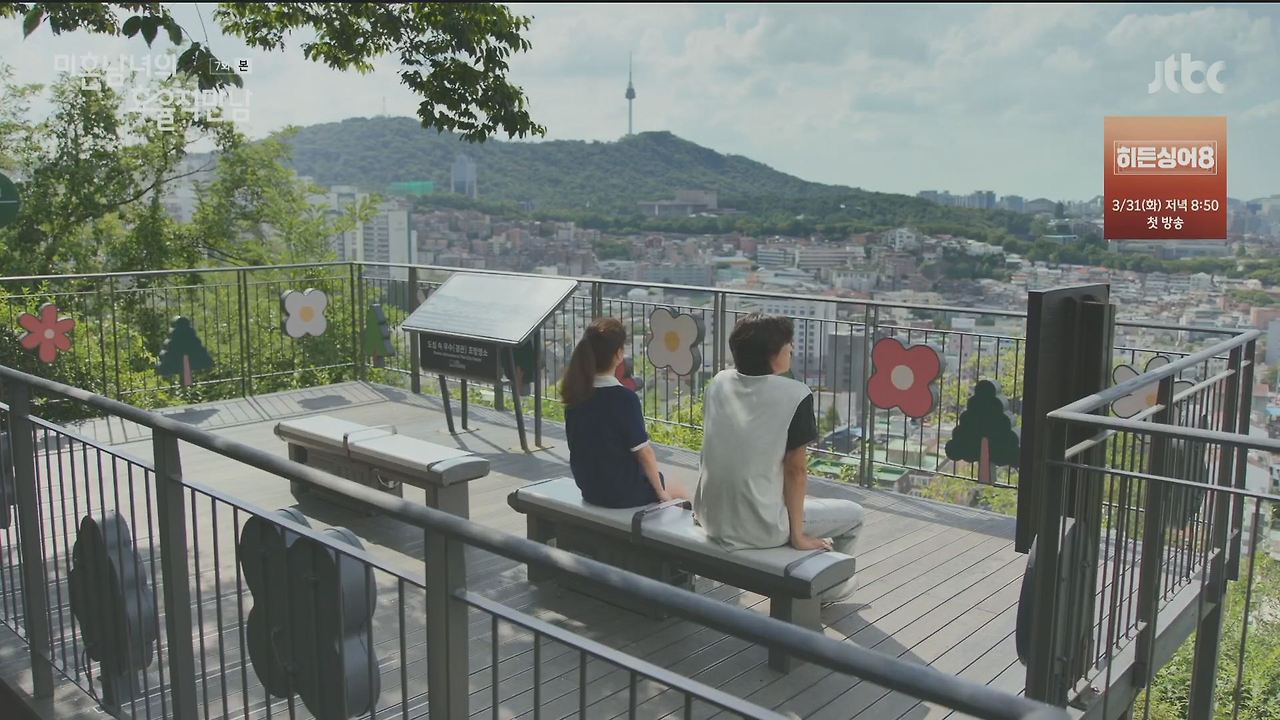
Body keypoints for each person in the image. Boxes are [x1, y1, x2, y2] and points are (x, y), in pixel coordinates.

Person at [693, 312, 863, 604]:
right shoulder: (795, 394)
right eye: (788, 345)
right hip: (760, 527)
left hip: (709, 517)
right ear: (771, 354)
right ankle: (829, 588)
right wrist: (798, 536)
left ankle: (822, 577)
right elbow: (796, 471)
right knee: (854, 516)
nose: (792, 350)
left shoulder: (718, 382)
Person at [561, 318, 690, 508]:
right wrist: (661, 492)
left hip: (589, 489)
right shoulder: (624, 399)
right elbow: (644, 453)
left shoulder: (576, 394)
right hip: (622, 492)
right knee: (679, 490)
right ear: (618, 354)